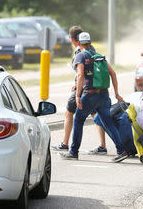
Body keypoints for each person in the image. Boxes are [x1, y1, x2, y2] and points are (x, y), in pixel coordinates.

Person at [61, 32, 129, 162]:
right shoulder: (99, 56)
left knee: (78, 120)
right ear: (90, 43)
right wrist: (117, 94)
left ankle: (73, 152)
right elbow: (113, 74)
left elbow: (80, 75)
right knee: (108, 122)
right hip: (104, 95)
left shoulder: (80, 56)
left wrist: (77, 96)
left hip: (89, 95)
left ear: (79, 43)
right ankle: (121, 151)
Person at [52, 26, 108, 153]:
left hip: (84, 89)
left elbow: (81, 72)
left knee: (69, 113)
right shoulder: (91, 48)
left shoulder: (80, 51)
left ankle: (65, 144)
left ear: (72, 39)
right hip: (93, 87)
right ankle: (102, 146)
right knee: (95, 114)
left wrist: (78, 86)